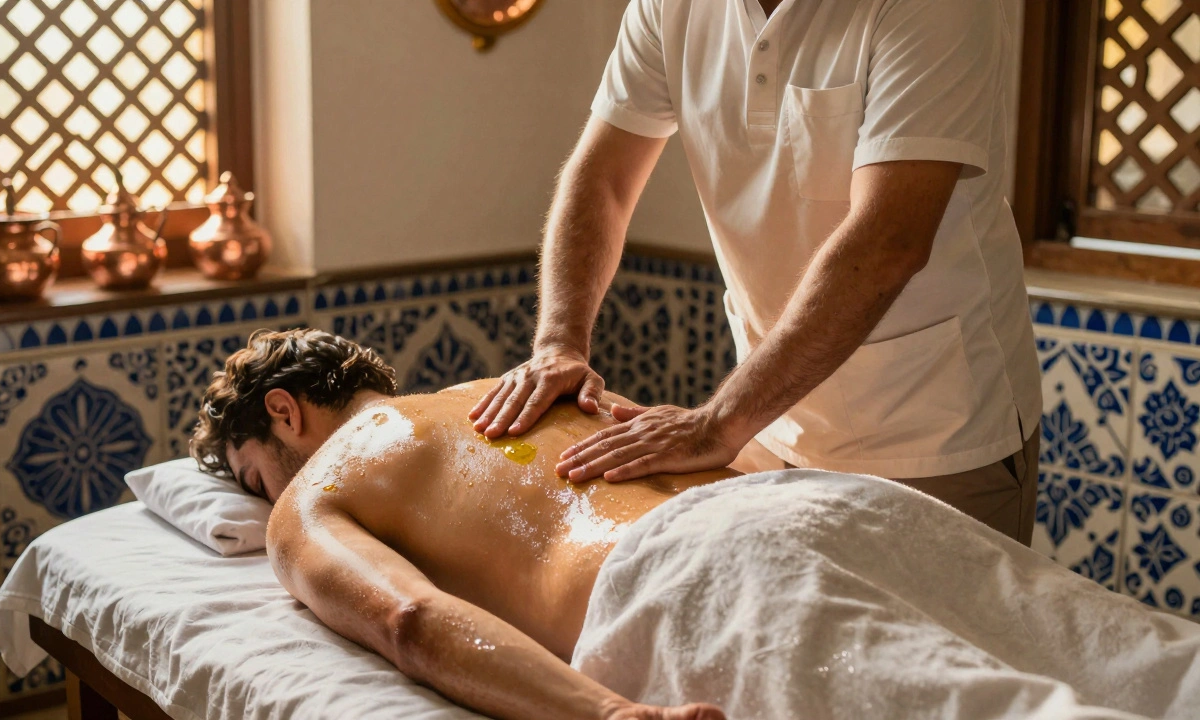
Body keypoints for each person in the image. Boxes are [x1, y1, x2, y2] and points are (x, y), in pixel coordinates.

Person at [192, 330, 1200, 720]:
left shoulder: (317, 485)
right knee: (1139, 659)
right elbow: (725, 459)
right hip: (831, 499)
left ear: (283, 414)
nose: (266, 499)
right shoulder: (516, 391)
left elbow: (407, 621)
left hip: (691, 572)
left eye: (253, 476)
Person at [469, 0, 1043, 545]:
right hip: (768, 422)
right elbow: (602, 180)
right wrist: (558, 344)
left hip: (937, 440)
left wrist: (717, 422)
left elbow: (890, 238)